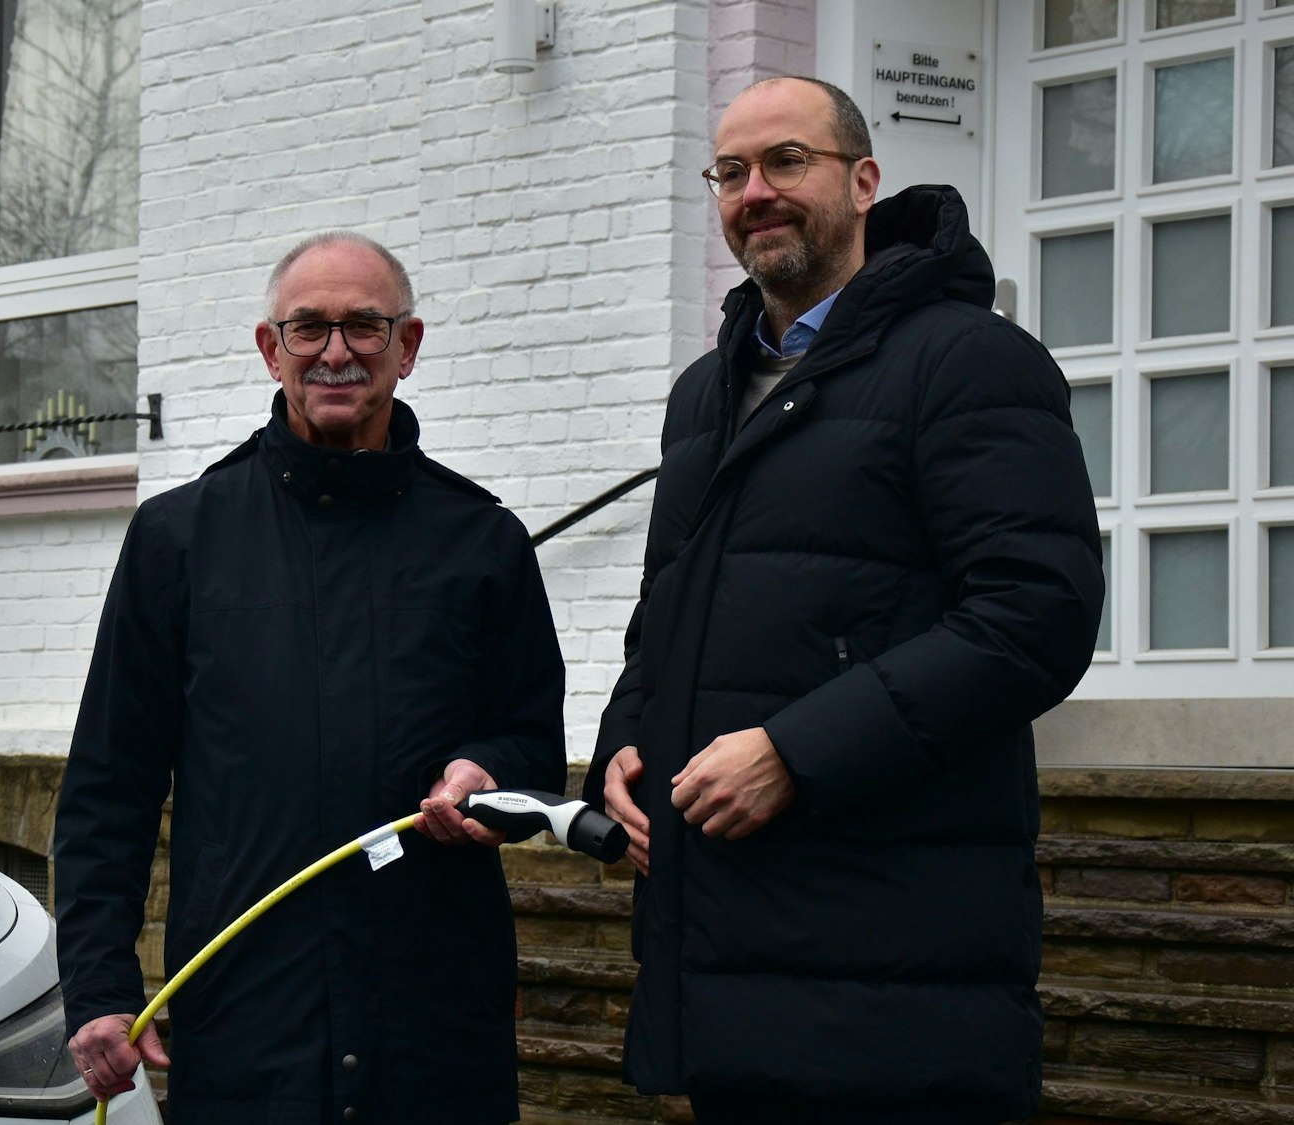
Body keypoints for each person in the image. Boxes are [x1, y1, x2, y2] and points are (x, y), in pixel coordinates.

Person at [585, 76, 1104, 1124]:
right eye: (729, 172)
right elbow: (667, 613)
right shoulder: (705, 390)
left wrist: (793, 754)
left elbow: (1030, 617)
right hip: (727, 958)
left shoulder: (967, 361)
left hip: (895, 973)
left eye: (786, 161)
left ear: (863, 181)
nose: (754, 192)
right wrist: (622, 744)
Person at [54, 231, 566, 1125]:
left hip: (434, 1026)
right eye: (310, 328)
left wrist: (485, 769)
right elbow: (110, 785)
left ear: (407, 347)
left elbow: (533, 741)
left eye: (366, 326)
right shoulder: (180, 540)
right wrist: (100, 984)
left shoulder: (483, 541)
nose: (337, 352)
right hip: (252, 1024)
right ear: (271, 348)